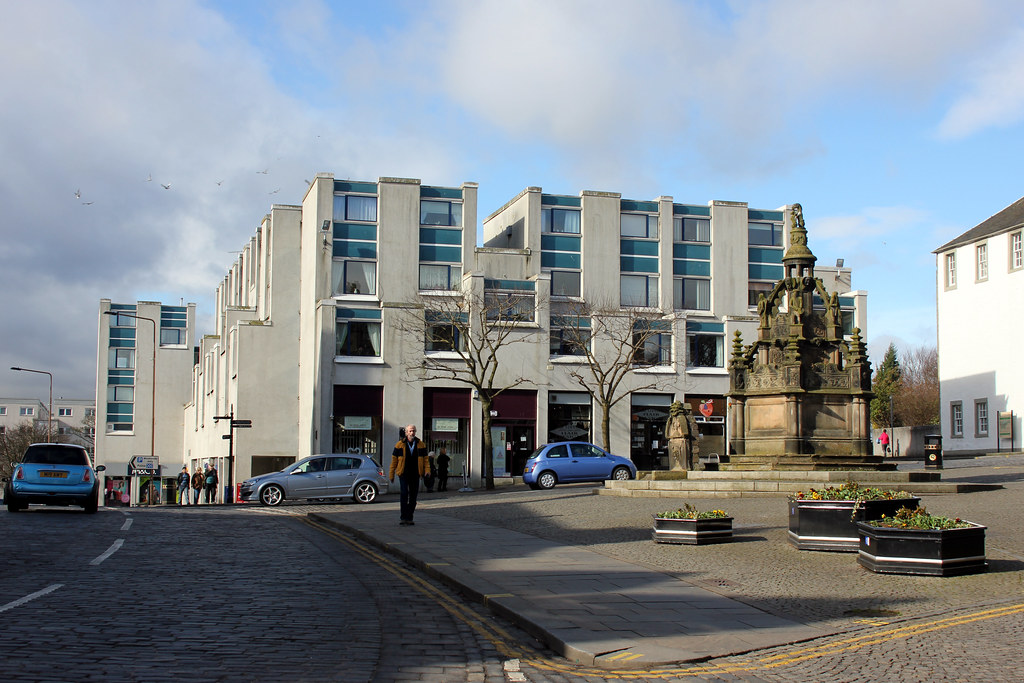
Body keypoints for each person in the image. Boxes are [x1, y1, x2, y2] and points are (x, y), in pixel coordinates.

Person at [389, 423, 428, 526]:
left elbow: (426, 460)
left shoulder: (421, 444)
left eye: (414, 431)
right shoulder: (399, 445)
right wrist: (391, 474)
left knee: (413, 496)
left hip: (415, 473)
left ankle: (410, 517)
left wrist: (427, 470)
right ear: (406, 432)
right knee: (404, 494)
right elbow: (394, 461)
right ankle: (403, 517)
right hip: (403, 473)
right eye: (410, 431)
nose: (412, 433)